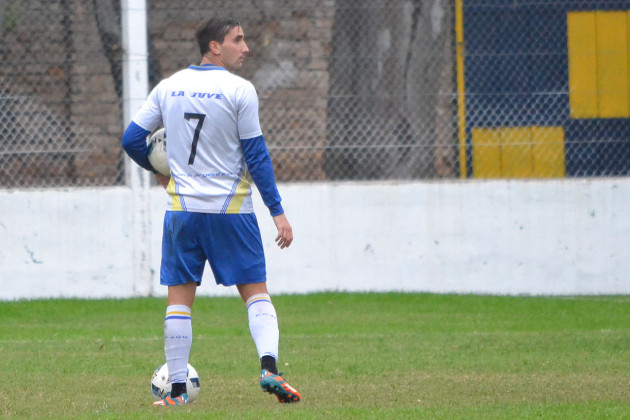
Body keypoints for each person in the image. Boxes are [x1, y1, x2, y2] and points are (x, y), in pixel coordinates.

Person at [121, 16, 300, 406]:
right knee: (255, 294)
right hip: (232, 211)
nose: (246, 47)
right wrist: (277, 211)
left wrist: (160, 171)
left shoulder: (169, 88)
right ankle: (269, 368)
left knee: (179, 301)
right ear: (214, 47)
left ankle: (178, 394)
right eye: (238, 40)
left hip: (182, 210)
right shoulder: (240, 90)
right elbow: (256, 154)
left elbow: (132, 139)